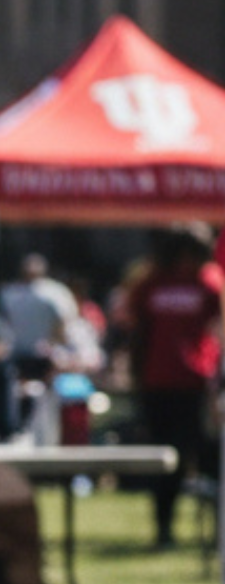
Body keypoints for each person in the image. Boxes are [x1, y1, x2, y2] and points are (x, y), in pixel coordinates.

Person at [122, 225, 224, 547]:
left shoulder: (209, 281)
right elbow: (136, 328)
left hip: (197, 384)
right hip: (158, 383)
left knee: (208, 456)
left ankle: (216, 534)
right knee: (166, 459)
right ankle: (163, 529)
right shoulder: (151, 282)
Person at [0, 251, 77, 381]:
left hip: (34, 354)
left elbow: (66, 321)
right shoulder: (55, 293)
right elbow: (66, 321)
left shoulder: (9, 293)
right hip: (31, 353)